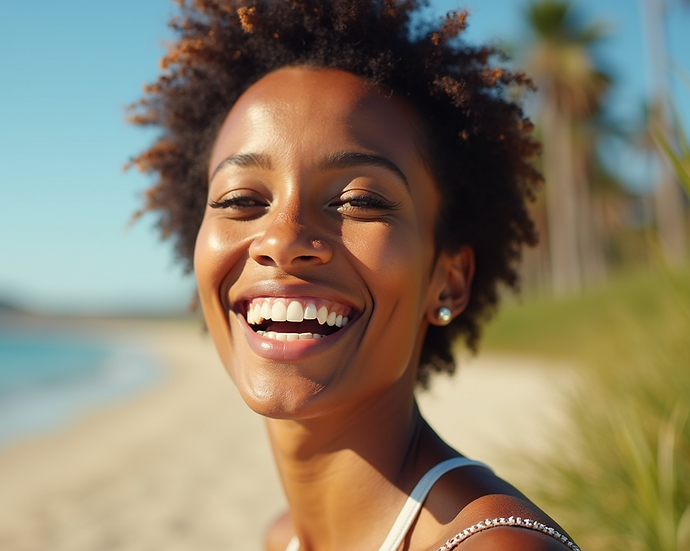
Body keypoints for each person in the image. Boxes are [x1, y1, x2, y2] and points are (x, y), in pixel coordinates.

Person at [129, 1, 579, 549]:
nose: (282, 240)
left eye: (359, 200)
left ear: (449, 280)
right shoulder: (283, 540)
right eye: (241, 199)